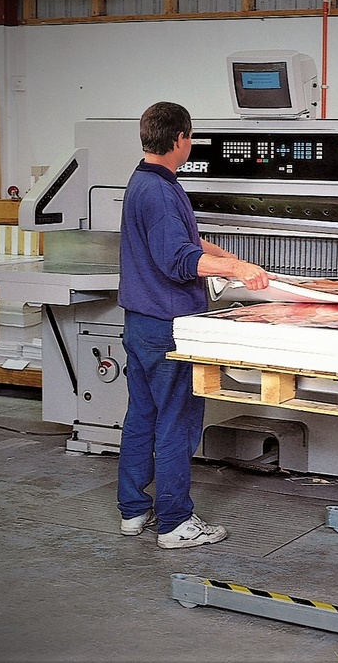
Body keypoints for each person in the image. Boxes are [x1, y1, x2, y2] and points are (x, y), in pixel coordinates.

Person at [116, 101, 270, 549]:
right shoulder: (162, 191)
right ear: (181, 139)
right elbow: (176, 258)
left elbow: (178, 238)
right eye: (190, 138)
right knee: (176, 422)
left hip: (141, 322)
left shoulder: (143, 181)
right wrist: (239, 274)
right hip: (169, 326)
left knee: (142, 416)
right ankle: (175, 523)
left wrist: (224, 257)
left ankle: (133, 511)